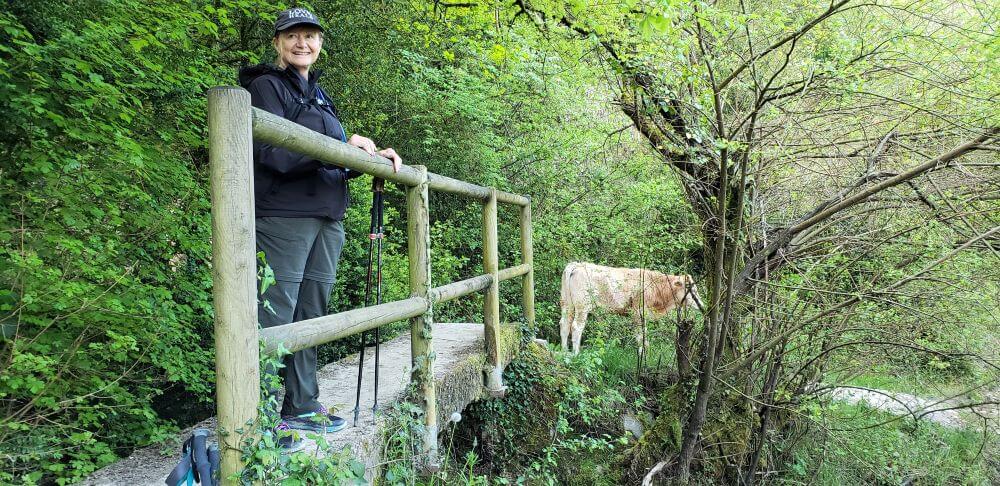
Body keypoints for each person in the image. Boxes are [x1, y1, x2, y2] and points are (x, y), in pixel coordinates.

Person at [237, 7, 403, 451]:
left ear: (320, 43)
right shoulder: (264, 88)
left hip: (327, 217)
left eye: (310, 36)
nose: (302, 43)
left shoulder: (321, 97)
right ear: (277, 43)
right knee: (275, 313)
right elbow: (274, 154)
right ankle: (262, 420)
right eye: (292, 36)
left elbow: (330, 157)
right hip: (284, 217)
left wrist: (370, 156)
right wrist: (338, 146)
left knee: (312, 314)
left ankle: (303, 405)